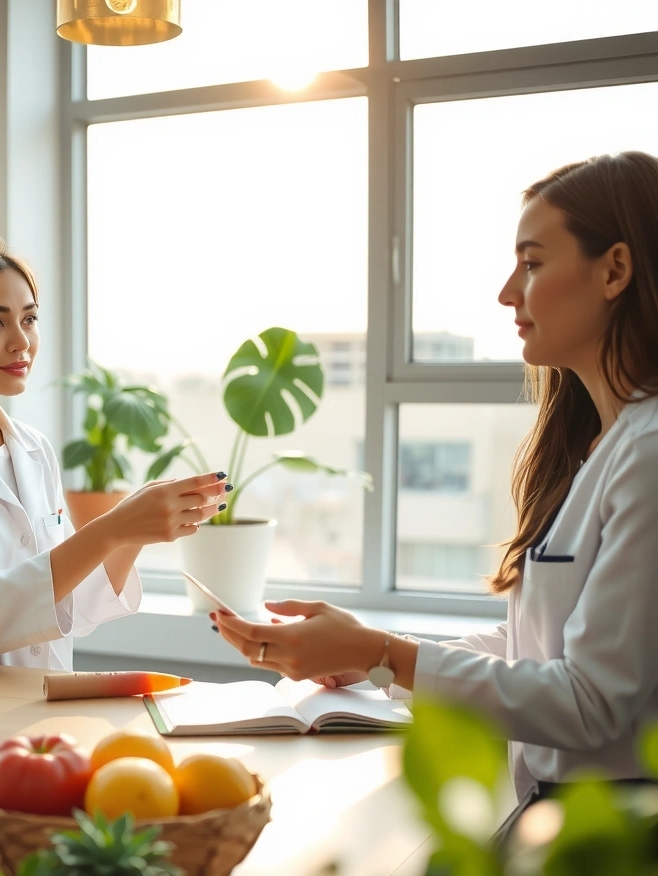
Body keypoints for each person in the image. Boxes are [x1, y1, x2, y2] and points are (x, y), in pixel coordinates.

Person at [213, 151, 658, 807]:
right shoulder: (602, 447)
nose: (507, 292)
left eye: (532, 264)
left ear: (614, 270)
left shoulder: (647, 455)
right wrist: (369, 656)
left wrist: (383, 652)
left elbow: (590, 702)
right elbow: (535, 649)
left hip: (612, 828)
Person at [0, 218, 231, 669]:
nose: (22, 342)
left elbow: (75, 607)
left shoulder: (33, 450)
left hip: (44, 701)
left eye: (29, 319)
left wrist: (132, 531)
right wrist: (109, 529)